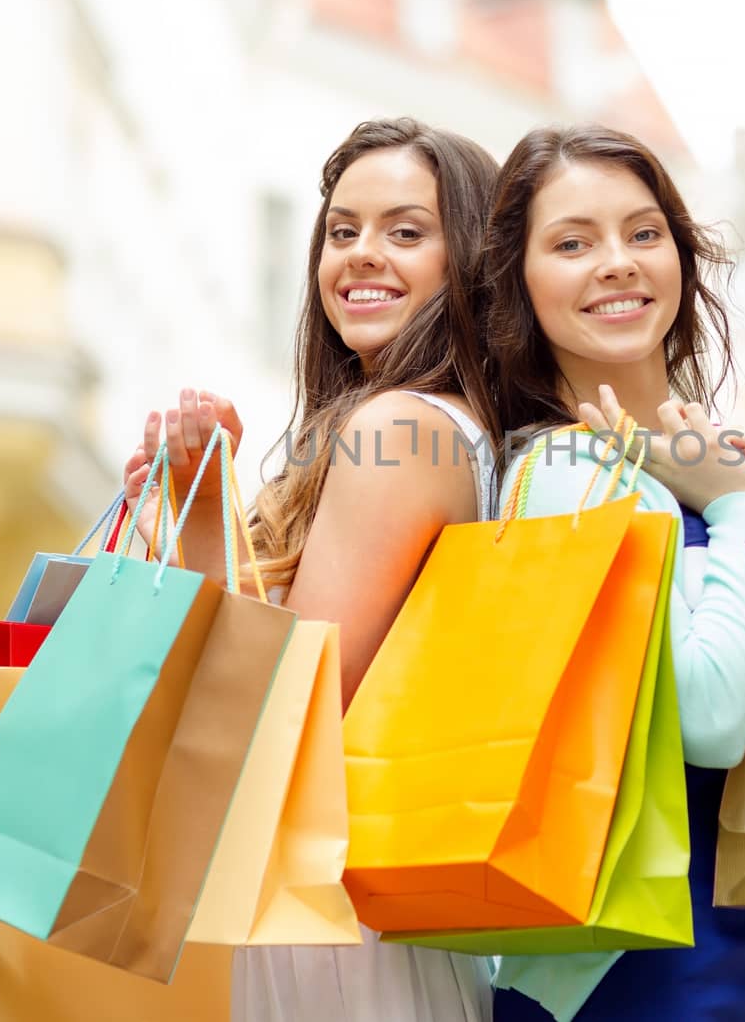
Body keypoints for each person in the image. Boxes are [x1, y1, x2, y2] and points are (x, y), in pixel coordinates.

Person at [123, 117, 501, 1021]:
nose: (361, 256)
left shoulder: (398, 430)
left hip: (333, 921)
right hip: (335, 913)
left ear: (471, 261)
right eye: (342, 231)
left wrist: (208, 513)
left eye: (406, 231)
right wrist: (186, 504)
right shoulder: (422, 425)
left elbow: (292, 707)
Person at [478, 124, 745, 1022]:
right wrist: (738, 509)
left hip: (734, 968)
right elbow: (707, 718)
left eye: (643, 232)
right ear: (521, 284)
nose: (617, 262)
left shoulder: (704, 455)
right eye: (573, 242)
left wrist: (737, 492)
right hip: (629, 985)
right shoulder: (568, 475)